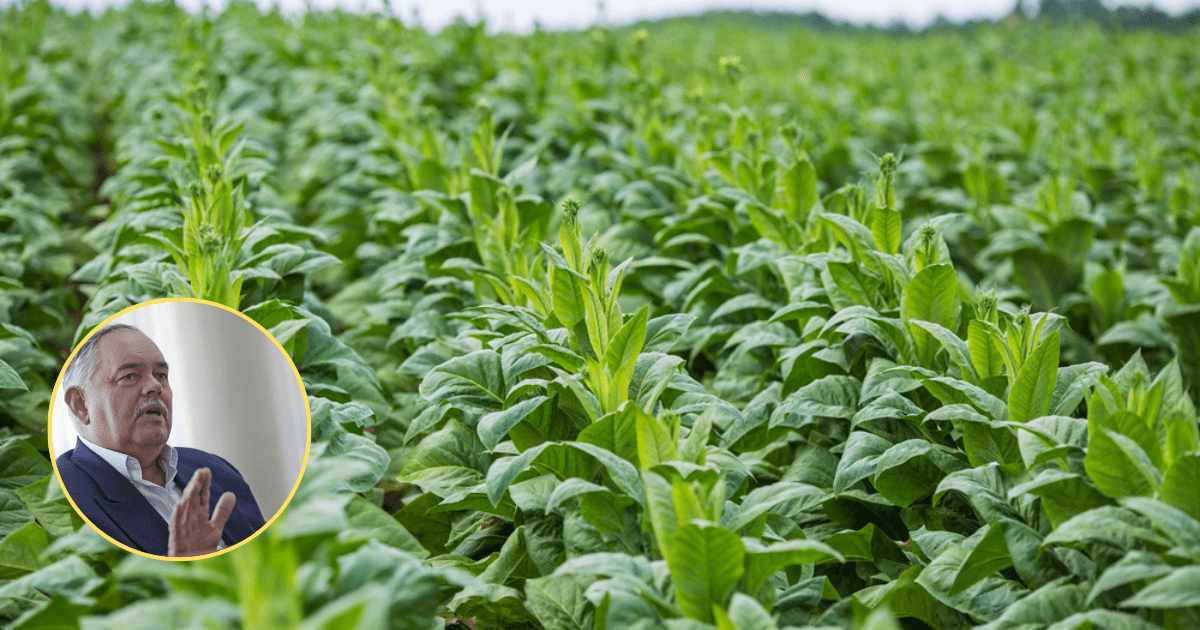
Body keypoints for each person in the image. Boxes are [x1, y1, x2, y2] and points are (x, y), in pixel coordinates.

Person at [55, 323, 266, 557]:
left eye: (161, 375)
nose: (155, 386)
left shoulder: (213, 468)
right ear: (81, 404)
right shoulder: (64, 496)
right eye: (130, 376)